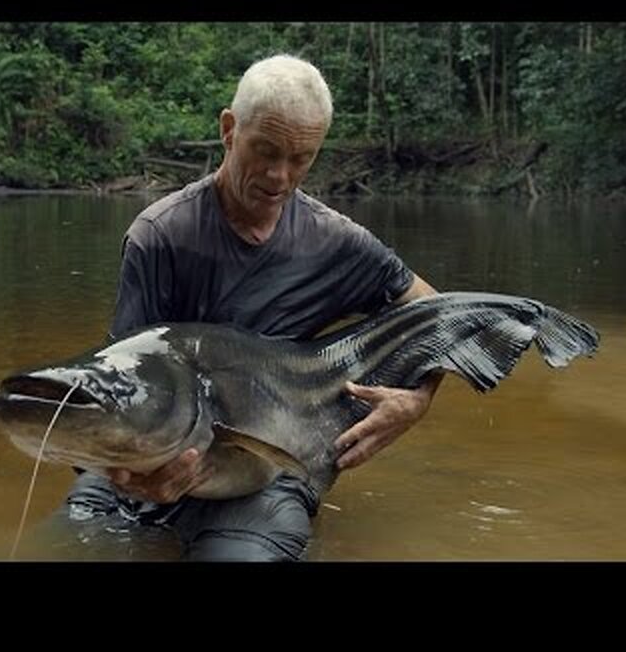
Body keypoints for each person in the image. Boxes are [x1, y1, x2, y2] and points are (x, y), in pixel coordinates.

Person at [53, 54, 442, 561]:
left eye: (302, 158)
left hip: (268, 468)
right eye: (266, 150)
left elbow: (436, 313)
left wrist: (415, 401)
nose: (280, 176)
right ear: (229, 130)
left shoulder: (338, 243)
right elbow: (124, 384)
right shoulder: (161, 235)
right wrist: (127, 472)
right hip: (155, 462)